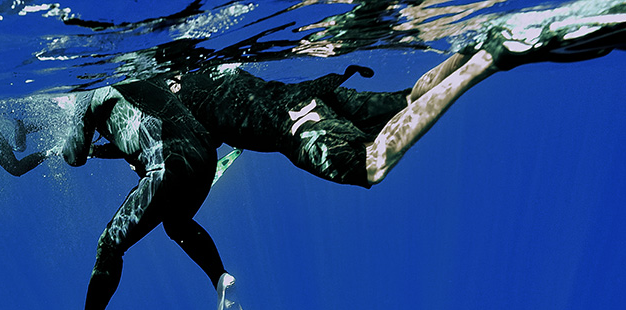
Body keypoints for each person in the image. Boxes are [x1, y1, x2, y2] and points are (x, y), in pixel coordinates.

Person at [170, 11, 626, 187]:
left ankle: (490, 57)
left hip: (293, 123)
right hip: (309, 97)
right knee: (411, 98)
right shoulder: (206, 72)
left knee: (371, 165)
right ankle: (479, 48)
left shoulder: (172, 101)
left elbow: (198, 149)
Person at [32, 79, 249, 310]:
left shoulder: (86, 94)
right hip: (203, 155)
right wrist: (97, 149)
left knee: (110, 244)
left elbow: (74, 157)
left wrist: (74, 134)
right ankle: (220, 278)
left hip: (166, 166)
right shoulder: (138, 78)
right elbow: (132, 132)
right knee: (177, 224)